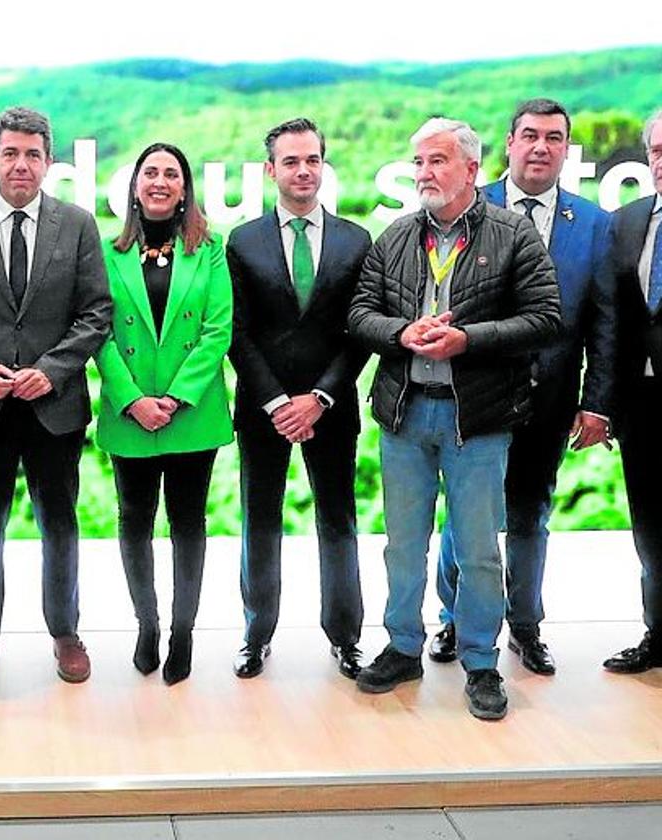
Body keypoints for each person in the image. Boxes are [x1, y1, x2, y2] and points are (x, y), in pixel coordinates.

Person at [348, 118, 560, 720]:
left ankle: (481, 661)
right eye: (418, 163)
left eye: (437, 161)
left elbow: (545, 318)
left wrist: (467, 340)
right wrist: (399, 332)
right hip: (405, 417)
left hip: (479, 423)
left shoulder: (513, 234)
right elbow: (361, 314)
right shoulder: (394, 237)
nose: (424, 174)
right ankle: (403, 647)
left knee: (477, 549)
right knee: (403, 545)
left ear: (471, 168)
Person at [0, 106, 111, 684]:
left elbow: (96, 312)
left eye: (33, 154)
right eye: (11, 153)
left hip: (54, 406)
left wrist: (53, 370)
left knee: (60, 522)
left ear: (48, 162)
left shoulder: (77, 223)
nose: (21, 165)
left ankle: (66, 633)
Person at [433, 100, 615, 676]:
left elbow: (602, 322)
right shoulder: (468, 205)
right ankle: (456, 620)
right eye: (530, 136)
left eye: (554, 138)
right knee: (465, 513)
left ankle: (526, 626)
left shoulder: (593, 223)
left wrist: (597, 403)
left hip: (551, 398)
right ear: (508, 143)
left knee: (532, 513)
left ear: (566, 149)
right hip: (476, 395)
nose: (541, 147)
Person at [227, 118, 371, 681]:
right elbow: (235, 333)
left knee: (339, 523)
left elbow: (361, 329)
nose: (303, 170)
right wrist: (276, 401)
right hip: (264, 410)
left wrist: (320, 397)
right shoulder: (242, 241)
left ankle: (346, 638)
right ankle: (255, 635)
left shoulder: (356, 240)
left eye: (312, 159)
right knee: (259, 522)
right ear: (271, 171)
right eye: (291, 161)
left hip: (330, 408)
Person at [94, 142, 232, 685]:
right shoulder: (107, 251)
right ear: (134, 185)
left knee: (188, 525)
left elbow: (217, 329)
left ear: (184, 187)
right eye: (149, 172)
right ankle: (146, 623)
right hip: (129, 411)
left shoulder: (211, 249)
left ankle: (182, 632)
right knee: (133, 522)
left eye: (170, 173)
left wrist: (174, 399)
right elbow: (98, 329)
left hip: (191, 413)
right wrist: (132, 398)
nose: (159, 181)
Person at [603, 108, 662, 675]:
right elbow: (613, 320)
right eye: (659, 152)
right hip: (640, 405)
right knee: (650, 525)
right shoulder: (626, 221)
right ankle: (658, 635)